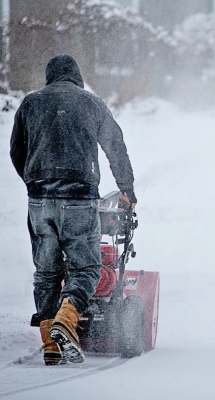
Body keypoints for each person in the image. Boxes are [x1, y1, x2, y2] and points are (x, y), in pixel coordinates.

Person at [10, 54, 137, 365]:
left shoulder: (30, 103)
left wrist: (33, 180)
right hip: (79, 197)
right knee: (85, 269)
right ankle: (65, 323)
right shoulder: (91, 103)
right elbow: (115, 145)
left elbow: (16, 150)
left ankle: (50, 346)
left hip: (40, 199)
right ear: (77, 78)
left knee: (47, 273)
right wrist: (127, 190)